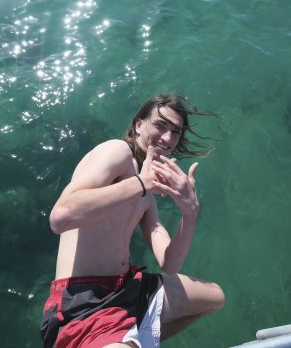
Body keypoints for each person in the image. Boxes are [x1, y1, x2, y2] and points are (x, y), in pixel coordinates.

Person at [40, 93, 225, 348]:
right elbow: (60, 218)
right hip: (83, 301)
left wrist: (189, 213)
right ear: (139, 124)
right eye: (161, 125)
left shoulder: (147, 192)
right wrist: (140, 184)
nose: (169, 138)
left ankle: (137, 340)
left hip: (127, 287)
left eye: (176, 132)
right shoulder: (117, 152)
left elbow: (169, 263)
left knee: (214, 297)